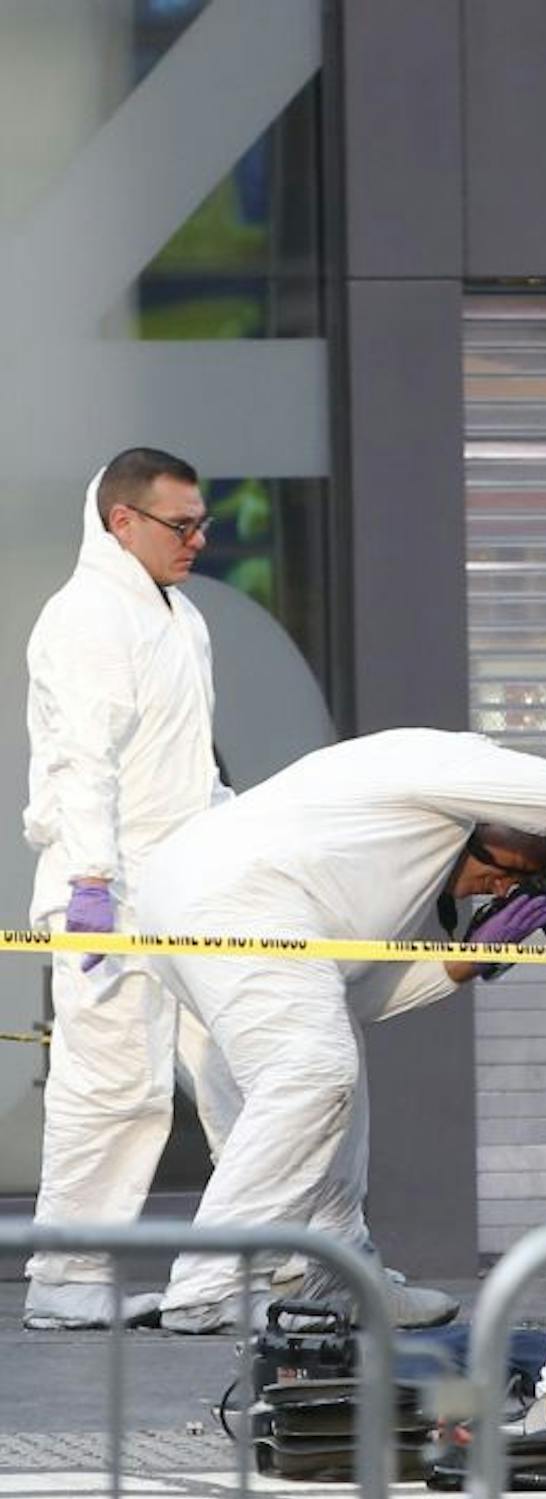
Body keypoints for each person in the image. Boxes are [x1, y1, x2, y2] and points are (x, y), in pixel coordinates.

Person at [138, 727, 546, 1333]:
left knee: (329, 1058)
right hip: (233, 897)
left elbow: (351, 997)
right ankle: (212, 1287)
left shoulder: (392, 851)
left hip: (194, 895)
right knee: (314, 1071)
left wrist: (469, 959)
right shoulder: (443, 763)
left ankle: (341, 1276)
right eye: (506, 871)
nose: (502, 889)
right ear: (493, 816)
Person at [21, 449, 232, 1330]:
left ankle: (275, 1266)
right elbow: (82, 764)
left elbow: (191, 769)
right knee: (112, 1087)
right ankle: (65, 1278)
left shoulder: (179, 618)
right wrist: (92, 882)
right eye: (180, 525)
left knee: (246, 1075)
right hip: (107, 891)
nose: (198, 539)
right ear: (122, 521)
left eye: (201, 523)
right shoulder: (85, 617)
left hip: (188, 885)